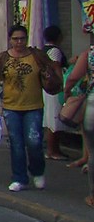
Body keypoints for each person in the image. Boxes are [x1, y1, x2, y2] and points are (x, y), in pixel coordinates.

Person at [0, 24, 58, 192]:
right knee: (16, 144)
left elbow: (53, 68)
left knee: (34, 141)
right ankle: (19, 178)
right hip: (11, 107)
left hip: (33, 106)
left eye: (22, 38)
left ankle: (38, 171)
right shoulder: (3, 59)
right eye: (15, 39)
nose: (19, 42)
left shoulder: (36, 56)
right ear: (10, 40)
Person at [62, 38, 94, 208]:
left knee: (93, 152)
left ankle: (93, 197)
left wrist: (67, 93)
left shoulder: (89, 55)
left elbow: (73, 78)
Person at [42, 25, 70, 161]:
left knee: (51, 119)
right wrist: (63, 85)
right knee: (54, 119)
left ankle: (53, 149)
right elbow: (56, 67)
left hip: (47, 89)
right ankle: (52, 150)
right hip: (54, 89)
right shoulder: (55, 51)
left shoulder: (44, 49)